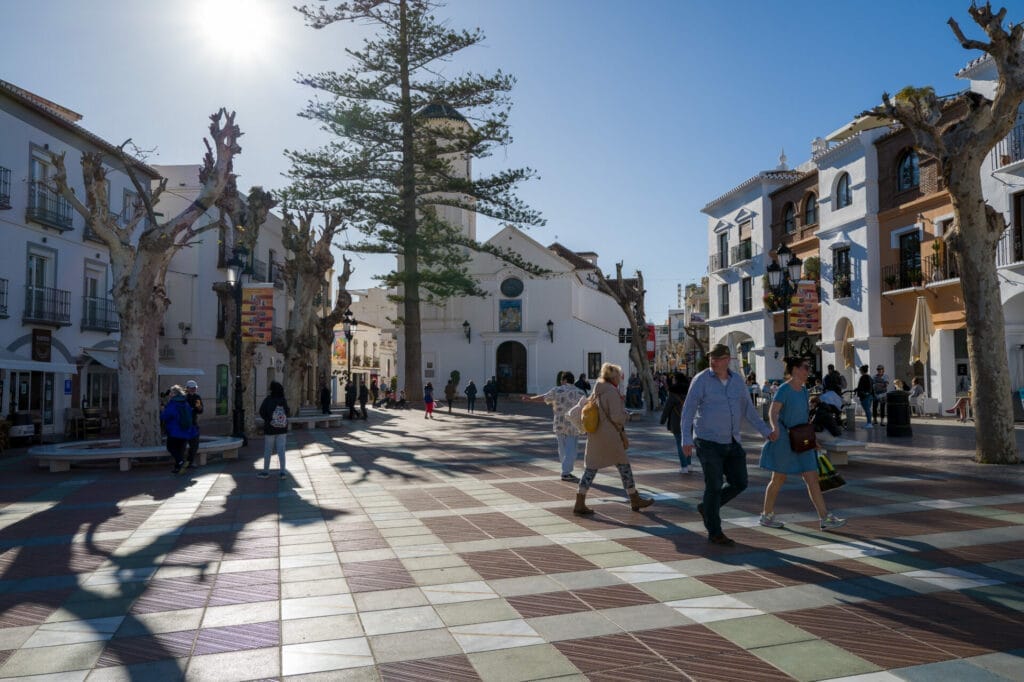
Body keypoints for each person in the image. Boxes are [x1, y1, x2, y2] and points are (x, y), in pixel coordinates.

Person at [680, 344, 776, 546]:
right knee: (714, 486)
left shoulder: (737, 382)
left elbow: (749, 410)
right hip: (707, 441)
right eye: (711, 358)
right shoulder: (701, 380)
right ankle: (715, 531)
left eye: (718, 358)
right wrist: (686, 439)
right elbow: (688, 410)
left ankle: (708, 507)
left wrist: (766, 431)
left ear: (728, 360)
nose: (713, 361)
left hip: (732, 441)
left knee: (740, 482)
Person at [759, 357, 847, 531]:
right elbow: (773, 411)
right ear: (795, 370)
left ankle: (825, 518)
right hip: (785, 439)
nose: (808, 371)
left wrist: (812, 440)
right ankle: (766, 515)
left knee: (812, 478)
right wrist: (775, 427)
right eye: (805, 367)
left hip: (802, 440)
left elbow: (805, 418)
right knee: (778, 478)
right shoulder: (784, 389)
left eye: (808, 367)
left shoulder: (804, 390)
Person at [572, 363, 653, 514]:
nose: (620, 379)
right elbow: (617, 417)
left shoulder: (597, 390)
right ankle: (634, 498)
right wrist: (627, 415)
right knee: (624, 467)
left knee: (591, 468)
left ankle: (580, 500)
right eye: (619, 376)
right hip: (610, 437)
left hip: (595, 435)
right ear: (613, 377)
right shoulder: (611, 391)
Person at [528, 372, 585, 481]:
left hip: (559, 424)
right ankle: (566, 472)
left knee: (562, 449)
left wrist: (530, 399)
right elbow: (586, 408)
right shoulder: (580, 392)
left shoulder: (557, 390)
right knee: (571, 450)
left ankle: (565, 470)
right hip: (573, 425)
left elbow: (543, 398)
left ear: (564, 380)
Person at [161, 385, 196, 475]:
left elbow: (165, 416)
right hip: (185, 430)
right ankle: (177, 468)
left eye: (171, 393)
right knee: (180, 449)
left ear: (175, 394)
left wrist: (162, 411)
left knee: (171, 448)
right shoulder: (185, 402)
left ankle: (181, 462)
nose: (170, 394)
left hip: (174, 431)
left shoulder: (173, 403)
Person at [659, 373, 691, 473]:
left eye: (674, 379)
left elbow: (667, 408)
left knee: (680, 444)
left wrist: (662, 420)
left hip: (677, 422)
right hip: (689, 421)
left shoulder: (673, 393)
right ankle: (689, 464)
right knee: (687, 443)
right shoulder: (690, 391)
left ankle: (684, 466)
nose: (672, 380)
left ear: (676, 380)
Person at [258, 380, 290, 479]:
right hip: (282, 429)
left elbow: (261, 411)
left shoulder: (268, 400)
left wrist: (269, 420)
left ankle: (266, 472)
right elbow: (288, 412)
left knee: (268, 450)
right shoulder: (283, 400)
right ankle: (282, 472)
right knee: (281, 450)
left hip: (270, 429)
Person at [184, 379, 204, 469]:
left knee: (195, 444)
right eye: (191, 388)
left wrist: (199, 407)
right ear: (187, 388)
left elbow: (200, 411)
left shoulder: (197, 397)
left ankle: (190, 461)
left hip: (193, 424)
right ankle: (182, 461)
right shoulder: (183, 398)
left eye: (194, 388)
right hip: (184, 425)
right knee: (182, 444)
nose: (193, 390)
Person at [855, 364, 875, 429]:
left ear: (862, 371)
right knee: (868, 410)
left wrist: (865, 393)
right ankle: (869, 423)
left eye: (860, 370)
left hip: (865, 396)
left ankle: (869, 423)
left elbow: (862, 387)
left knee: (867, 410)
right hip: (870, 396)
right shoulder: (869, 377)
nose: (860, 372)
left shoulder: (863, 377)